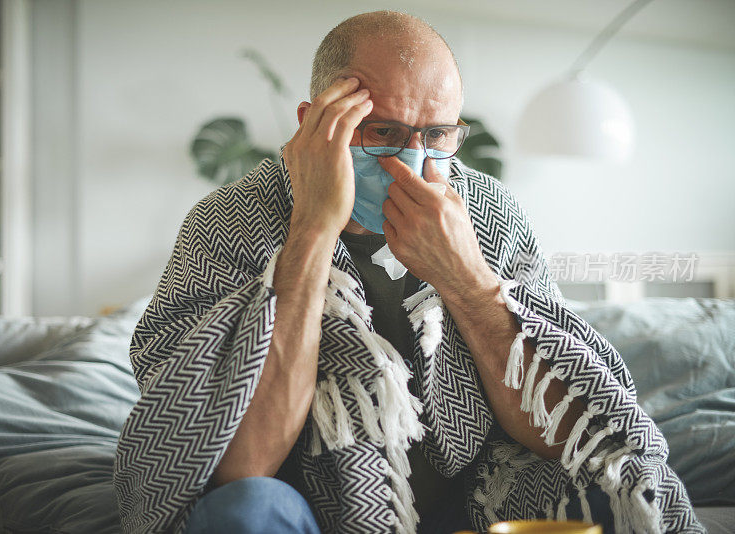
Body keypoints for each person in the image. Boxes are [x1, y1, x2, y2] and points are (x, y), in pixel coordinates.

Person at [113, 10, 702, 534]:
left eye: (437, 134)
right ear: (312, 122)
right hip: (308, 499)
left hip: (478, 494)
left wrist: (468, 280)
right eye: (384, 132)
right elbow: (242, 466)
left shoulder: (488, 211)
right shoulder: (229, 222)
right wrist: (313, 231)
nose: (412, 162)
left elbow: (563, 432)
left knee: (614, 494)